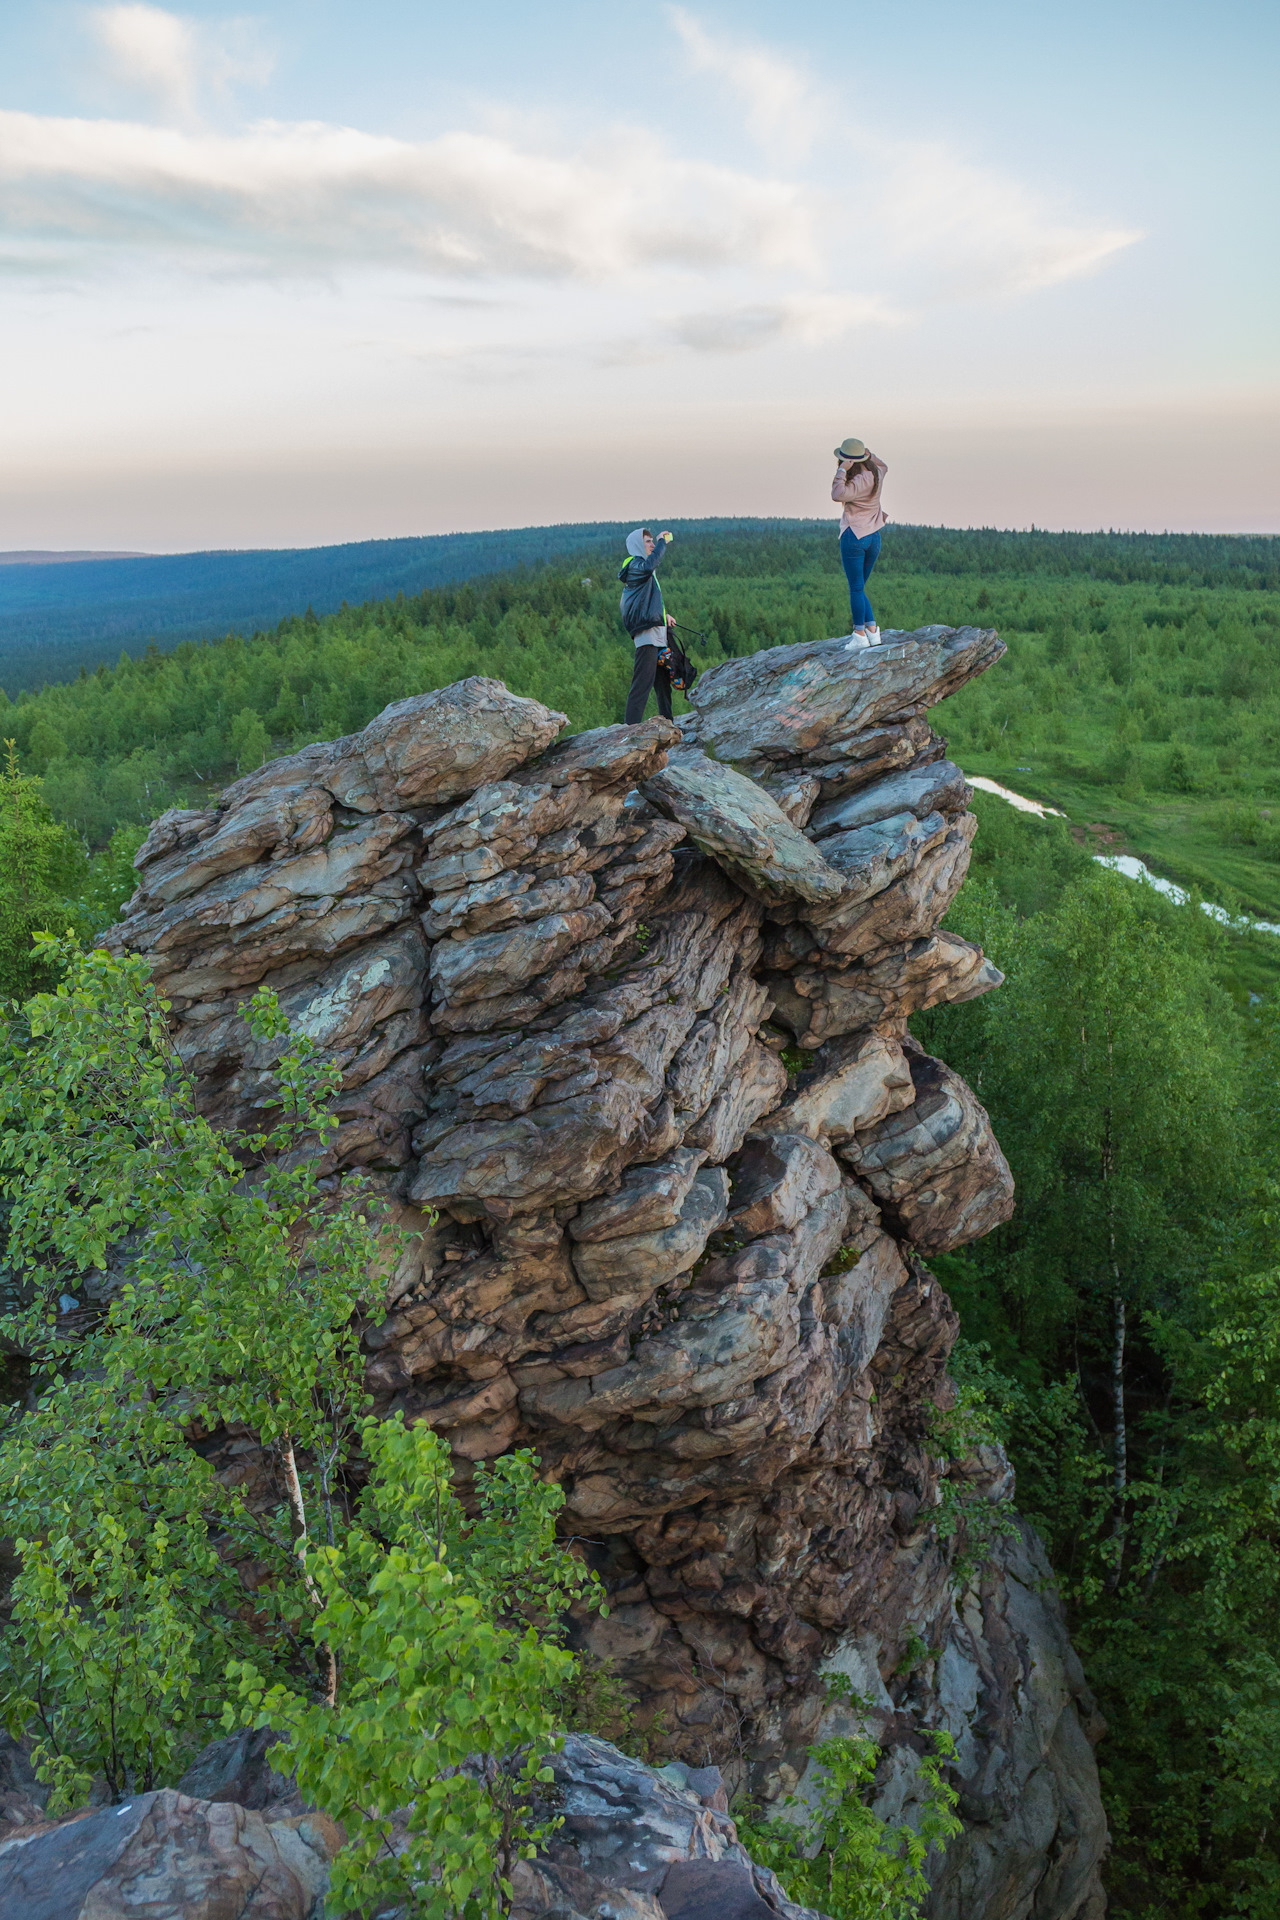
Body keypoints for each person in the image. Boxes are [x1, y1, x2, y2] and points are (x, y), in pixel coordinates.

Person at [831, 437, 888, 648]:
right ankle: (872, 631)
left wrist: (842, 471)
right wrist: (868, 455)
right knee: (860, 587)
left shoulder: (855, 482)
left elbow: (837, 494)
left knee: (855, 588)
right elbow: (883, 465)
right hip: (874, 537)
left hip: (854, 536)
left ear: (848, 461)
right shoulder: (877, 474)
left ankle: (859, 634)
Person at [619, 526, 675, 723]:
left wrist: (665, 615)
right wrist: (662, 542)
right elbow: (650, 566)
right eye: (648, 542)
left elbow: (651, 599)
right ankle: (629, 730)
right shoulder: (635, 564)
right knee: (642, 684)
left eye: (653, 541)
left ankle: (669, 725)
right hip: (647, 634)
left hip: (657, 631)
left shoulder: (642, 567)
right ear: (637, 546)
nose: (652, 544)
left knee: (662, 683)